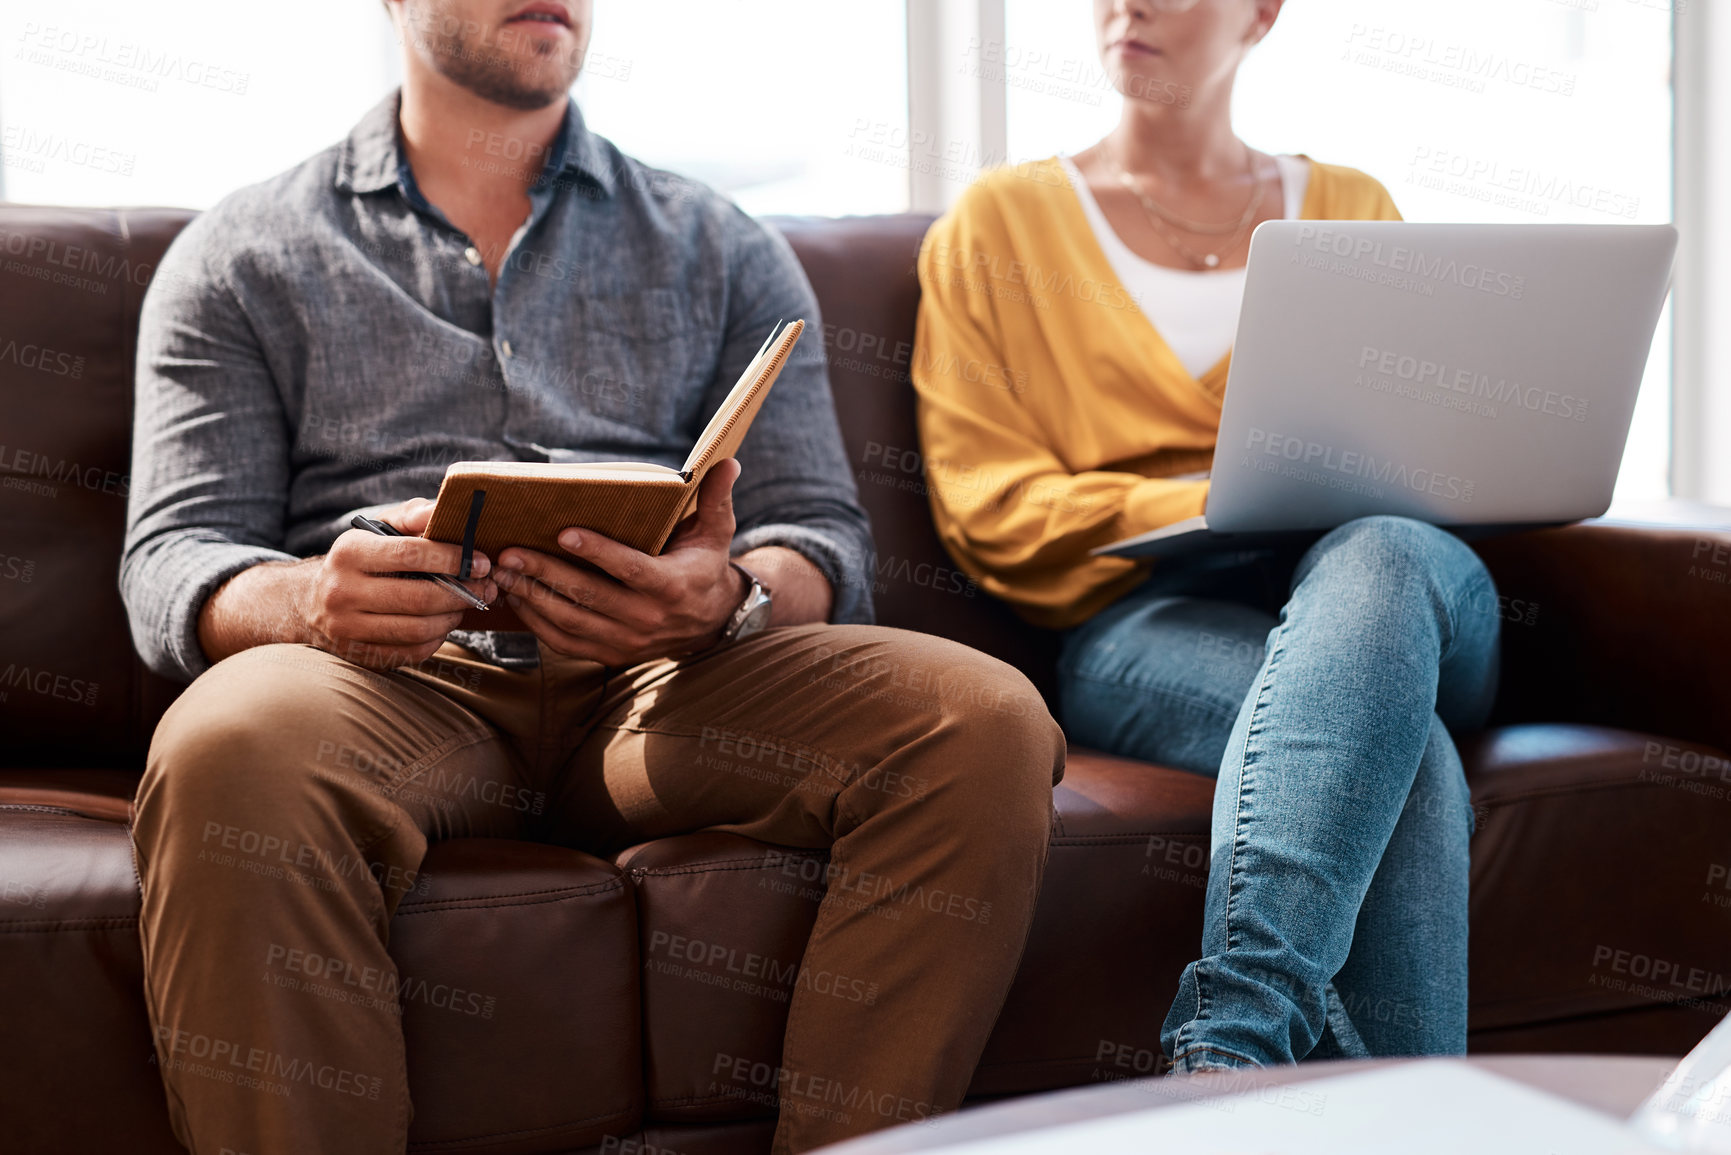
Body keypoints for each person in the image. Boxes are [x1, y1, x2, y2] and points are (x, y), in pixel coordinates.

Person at [122, 2, 1064, 1152]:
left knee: (982, 719)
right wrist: (313, 601)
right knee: (228, 747)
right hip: (391, 683)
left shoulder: (720, 245)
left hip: (670, 686)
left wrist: (728, 596)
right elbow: (175, 558)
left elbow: (820, 532)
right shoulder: (243, 252)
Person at [912, 0, 1499, 1073]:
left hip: (1390, 583)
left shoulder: (1353, 208)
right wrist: (1202, 504)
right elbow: (988, 507)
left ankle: (1225, 1061)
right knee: (1393, 750)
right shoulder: (999, 225)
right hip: (1149, 620)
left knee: (1379, 556)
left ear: (1264, 13)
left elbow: (1423, 453)